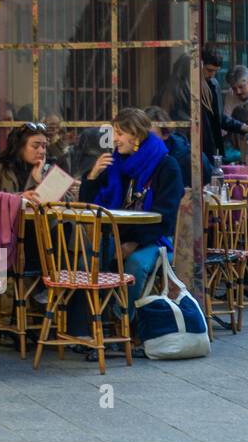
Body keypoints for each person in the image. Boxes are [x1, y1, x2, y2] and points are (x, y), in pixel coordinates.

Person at [78, 107, 183, 329]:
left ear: (136, 134)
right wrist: (93, 175)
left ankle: (123, 320)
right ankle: (94, 322)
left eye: (119, 133)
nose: (114, 139)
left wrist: (133, 243)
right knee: (86, 260)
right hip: (118, 237)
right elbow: (89, 206)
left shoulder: (166, 166)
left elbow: (165, 217)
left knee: (135, 264)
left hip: (154, 240)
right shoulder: (117, 164)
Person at [201, 46, 248, 159]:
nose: (212, 75)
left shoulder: (213, 84)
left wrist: (242, 127)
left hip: (211, 144)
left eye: (215, 71)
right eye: (209, 70)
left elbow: (218, 117)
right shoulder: (193, 85)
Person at [0, 123, 52, 203]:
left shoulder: (46, 170)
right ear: (19, 147)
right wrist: (18, 199)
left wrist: (40, 180)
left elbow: (61, 205)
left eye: (44, 146)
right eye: (35, 146)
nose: (42, 151)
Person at [144, 106, 211, 189]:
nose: (145, 140)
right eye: (142, 135)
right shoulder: (142, 155)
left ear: (165, 134)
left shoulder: (188, 157)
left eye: (151, 135)